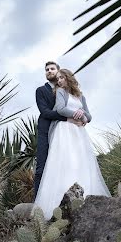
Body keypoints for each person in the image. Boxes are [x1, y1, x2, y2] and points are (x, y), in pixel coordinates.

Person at [35, 68, 110, 219]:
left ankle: (86, 197)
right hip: (64, 131)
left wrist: (83, 116)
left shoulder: (80, 96)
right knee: (65, 162)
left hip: (79, 132)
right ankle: (60, 203)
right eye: (58, 78)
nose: (59, 81)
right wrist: (75, 114)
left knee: (80, 162)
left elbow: (89, 116)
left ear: (69, 78)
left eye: (62, 78)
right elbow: (61, 109)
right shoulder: (60, 92)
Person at [34, 61, 82, 198]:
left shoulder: (68, 91)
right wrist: (67, 118)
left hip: (66, 132)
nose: (49, 71)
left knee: (66, 164)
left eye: (52, 69)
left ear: (59, 71)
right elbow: (45, 112)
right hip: (46, 130)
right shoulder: (41, 91)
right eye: (47, 69)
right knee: (41, 168)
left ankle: (64, 199)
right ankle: (38, 202)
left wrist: (81, 117)